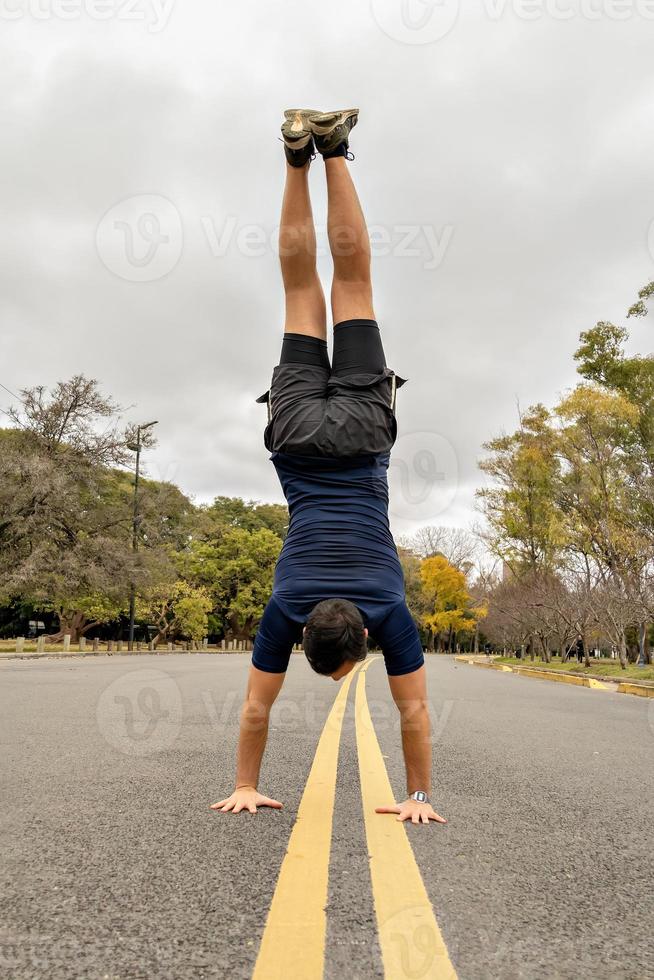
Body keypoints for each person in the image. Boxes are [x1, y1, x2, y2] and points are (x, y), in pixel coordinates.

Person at [211, 109, 446, 827]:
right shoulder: (284, 608)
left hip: (364, 436)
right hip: (295, 438)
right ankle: (294, 158)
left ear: (361, 638)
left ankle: (335, 150)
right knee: (298, 292)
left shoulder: (389, 609)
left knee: (352, 284)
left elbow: (415, 715)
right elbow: (254, 709)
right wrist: (244, 781)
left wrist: (418, 797)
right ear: (308, 633)